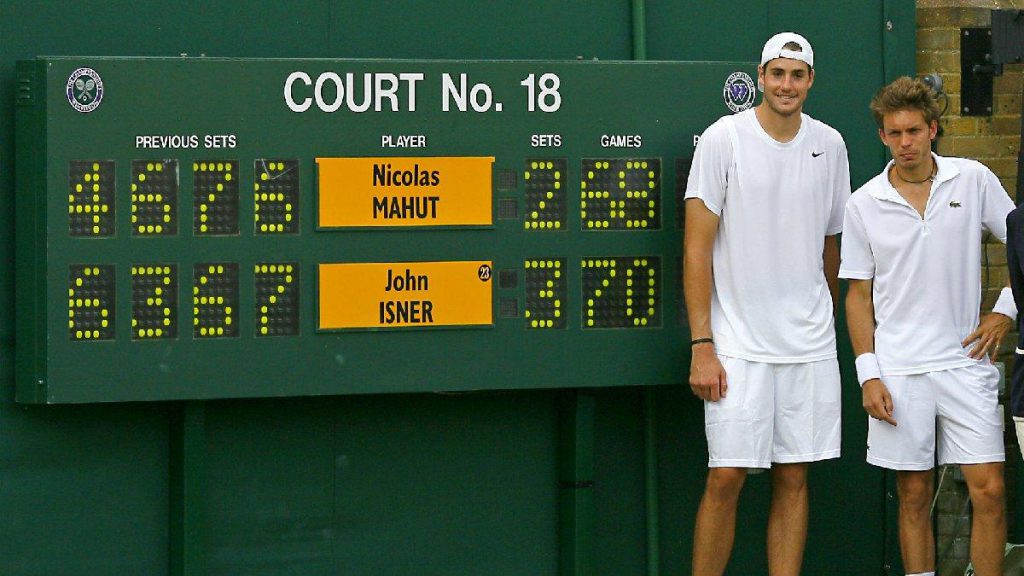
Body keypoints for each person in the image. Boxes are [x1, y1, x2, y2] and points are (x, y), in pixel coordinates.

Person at [684, 32, 850, 575]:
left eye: (797, 75)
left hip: (808, 345)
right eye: (777, 74)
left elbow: (832, 245)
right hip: (736, 346)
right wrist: (702, 344)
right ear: (760, 76)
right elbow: (696, 247)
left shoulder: (832, 144)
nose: (786, 85)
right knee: (726, 476)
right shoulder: (722, 139)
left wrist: (829, 320)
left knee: (794, 476)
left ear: (810, 82)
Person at [841, 76, 1016, 576]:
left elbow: (1020, 244)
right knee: (914, 495)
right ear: (882, 137)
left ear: (933, 129)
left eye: (914, 131)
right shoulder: (863, 203)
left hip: (965, 363)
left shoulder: (974, 179)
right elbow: (857, 295)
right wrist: (868, 373)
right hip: (898, 370)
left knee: (991, 490)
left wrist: (1006, 309)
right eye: (894, 134)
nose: (905, 143)